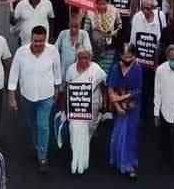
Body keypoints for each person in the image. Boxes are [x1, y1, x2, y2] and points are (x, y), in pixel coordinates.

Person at [7, 26, 61, 173]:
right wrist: (12, 97)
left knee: (43, 125)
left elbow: (57, 71)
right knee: (33, 126)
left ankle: (42, 156)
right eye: (35, 40)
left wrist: (57, 89)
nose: (38, 44)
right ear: (31, 38)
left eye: (41, 41)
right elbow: (14, 74)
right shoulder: (21, 52)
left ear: (46, 39)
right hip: (27, 97)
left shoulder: (52, 51)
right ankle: (39, 148)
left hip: (46, 97)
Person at [64, 47, 107, 175]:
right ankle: (76, 160)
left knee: (88, 131)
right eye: (81, 58)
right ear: (77, 58)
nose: (83, 60)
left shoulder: (96, 69)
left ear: (90, 57)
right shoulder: (71, 69)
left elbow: (103, 85)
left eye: (86, 58)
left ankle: (82, 157)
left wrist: (105, 102)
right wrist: (64, 108)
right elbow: (67, 88)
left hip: (92, 105)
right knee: (74, 131)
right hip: (74, 106)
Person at [107, 43, 143, 179]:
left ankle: (129, 164)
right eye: (124, 56)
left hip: (133, 106)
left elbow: (138, 90)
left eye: (130, 56)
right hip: (118, 107)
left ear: (134, 56)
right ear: (120, 55)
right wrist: (117, 106)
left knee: (130, 135)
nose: (127, 59)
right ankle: (118, 159)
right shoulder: (116, 68)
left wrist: (122, 97)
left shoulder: (137, 68)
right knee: (118, 134)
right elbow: (110, 89)